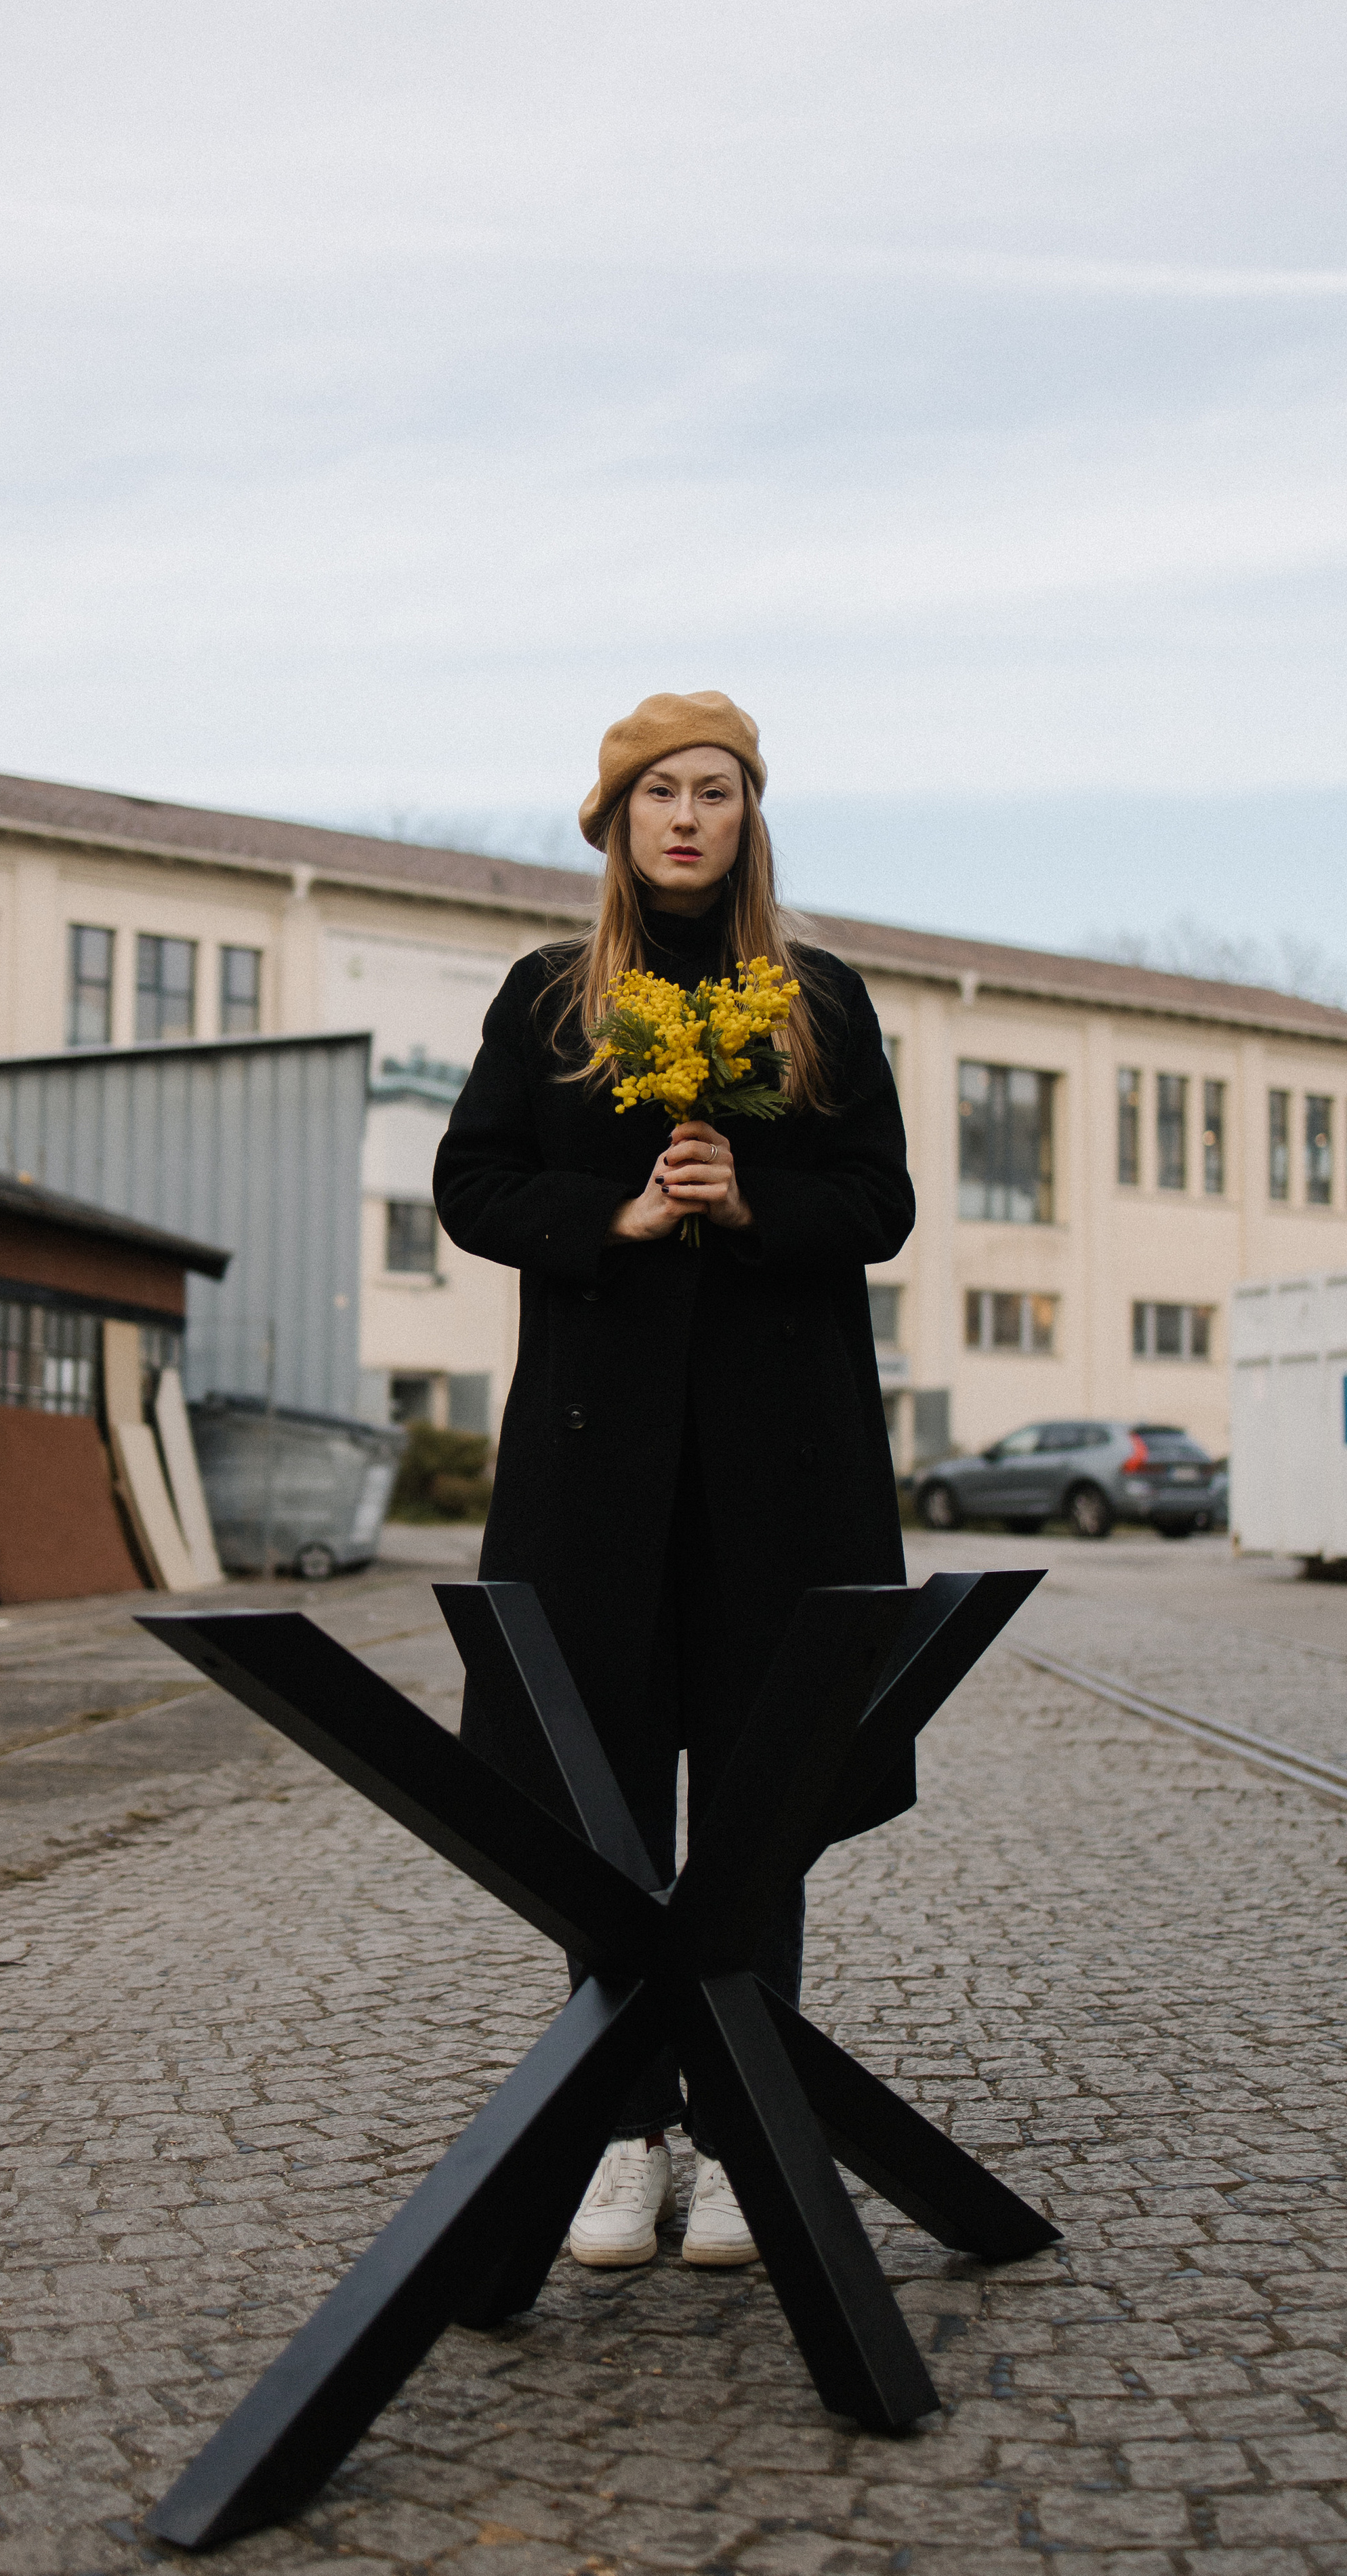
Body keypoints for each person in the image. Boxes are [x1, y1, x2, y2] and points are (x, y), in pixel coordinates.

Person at [432, 689, 915, 2272]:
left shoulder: (816, 1001)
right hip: (600, 1478)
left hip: (780, 1478)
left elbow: (880, 1202)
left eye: (716, 791)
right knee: (604, 1804)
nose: (689, 817)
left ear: (747, 816)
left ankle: (741, 2125)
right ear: (617, 821)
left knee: (760, 1808)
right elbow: (472, 1184)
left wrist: (746, 1198)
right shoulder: (552, 999)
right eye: (661, 795)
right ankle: (623, 2138)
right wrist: (618, 1219)